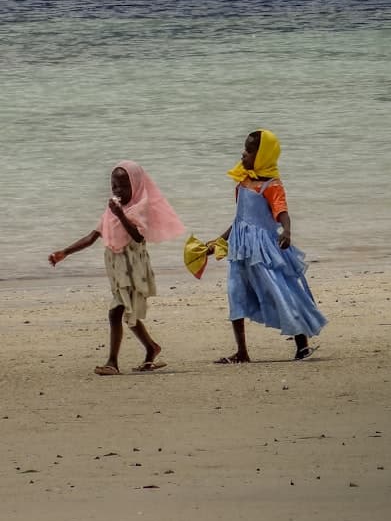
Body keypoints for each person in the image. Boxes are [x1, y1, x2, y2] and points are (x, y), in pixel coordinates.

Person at [49, 161, 185, 375]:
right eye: (114, 186)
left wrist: (121, 214)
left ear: (137, 186)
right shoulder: (110, 210)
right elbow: (92, 236)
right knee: (128, 314)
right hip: (117, 269)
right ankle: (151, 347)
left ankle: (112, 362)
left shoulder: (139, 208)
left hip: (133, 269)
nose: (118, 191)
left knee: (116, 312)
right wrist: (64, 253)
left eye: (123, 186)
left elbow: (138, 236)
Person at [208, 129, 327, 363]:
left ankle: (301, 346)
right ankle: (242, 352)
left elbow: (282, 212)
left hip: (263, 250)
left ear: (263, 155)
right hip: (240, 247)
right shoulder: (243, 180)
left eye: (250, 150)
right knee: (236, 294)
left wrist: (287, 231)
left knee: (280, 292)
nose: (244, 154)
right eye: (245, 148)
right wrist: (219, 241)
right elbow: (239, 219)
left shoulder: (272, 185)